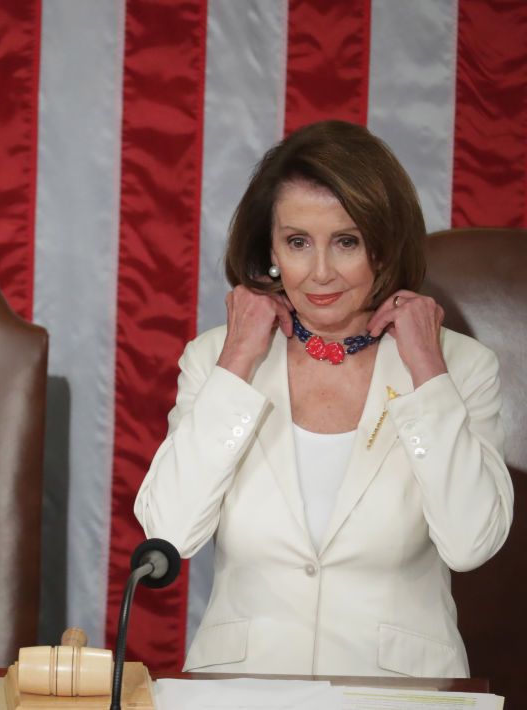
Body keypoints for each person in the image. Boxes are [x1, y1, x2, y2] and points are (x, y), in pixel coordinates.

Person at [134, 120, 513, 678]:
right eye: (297, 243)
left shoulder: (459, 367)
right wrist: (236, 360)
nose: (319, 273)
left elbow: (470, 543)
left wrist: (427, 370)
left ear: (383, 247)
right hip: (244, 690)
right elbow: (168, 529)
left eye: (346, 242)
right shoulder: (217, 359)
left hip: (396, 695)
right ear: (271, 252)